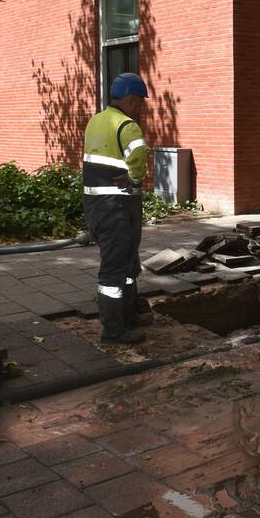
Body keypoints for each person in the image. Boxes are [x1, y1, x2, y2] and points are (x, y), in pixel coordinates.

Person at [82, 73, 150, 343]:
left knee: (127, 264)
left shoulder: (95, 121)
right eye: (140, 102)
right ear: (131, 99)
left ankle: (128, 316)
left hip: (96, 206)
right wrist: (134, 179)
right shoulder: (128, 125)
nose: (141, 107)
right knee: (115, 268)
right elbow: (139, 154)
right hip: (119, 206)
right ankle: (114, 329)